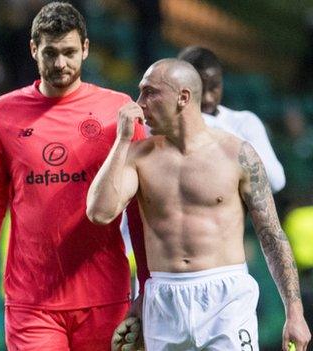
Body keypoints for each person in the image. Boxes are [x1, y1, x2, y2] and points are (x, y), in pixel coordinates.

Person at [87, 59, 311, 351]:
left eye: (150, 92)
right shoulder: (138, 156)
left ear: (183, 97)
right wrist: (122, 141)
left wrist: (295, 312)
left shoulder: (237, 154)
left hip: (226, 298)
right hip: (163, 299)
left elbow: (272, 236)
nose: (139, 103)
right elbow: (100, 213)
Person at [0, 2, 148, 350]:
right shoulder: (2, 114)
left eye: (69, 52)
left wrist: (147, 288)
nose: (60, 63)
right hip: (32, 302)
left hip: (105, 297)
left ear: (86, 49)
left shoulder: (117, 112)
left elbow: (139, 209)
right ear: (34, 49)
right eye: (50, 53)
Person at [177, 46, 286, 193]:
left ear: (222, 81)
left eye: (214, 87)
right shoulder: (164, 125)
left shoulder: (244, 122)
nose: (208, 97)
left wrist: (216, 127)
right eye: (200, 89)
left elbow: (275, 182)